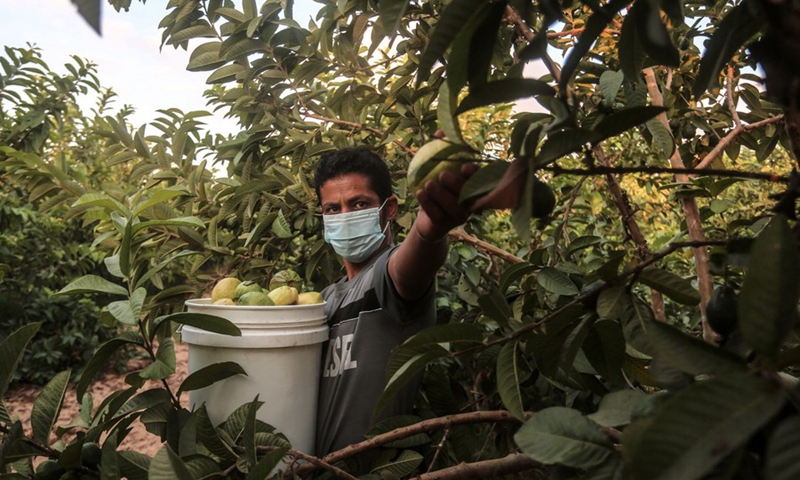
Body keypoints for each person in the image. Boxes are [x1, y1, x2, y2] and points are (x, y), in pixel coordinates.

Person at [313, 147, 474, 456]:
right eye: (333, 209)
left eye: (359, 203)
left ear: (389, 210)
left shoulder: (386, 278)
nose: (345, 216)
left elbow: (414, 262)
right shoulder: (324, 300)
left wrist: (431, 227)